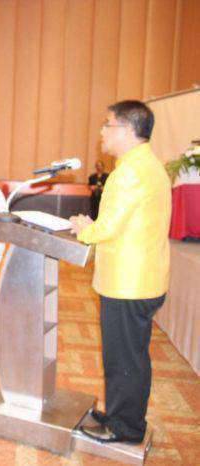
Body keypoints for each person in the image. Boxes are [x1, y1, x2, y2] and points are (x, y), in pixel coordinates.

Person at [70, 100, 171, 445]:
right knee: (128, 354)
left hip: (129, 282)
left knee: (125, 358)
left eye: (107, 125)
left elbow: (109, 227)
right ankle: (119, 414)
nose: (102, 132)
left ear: (127, 130)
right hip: (140, 277)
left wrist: (84, 228)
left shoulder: (129, 172)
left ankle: (125, 427)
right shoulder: (147, 165)